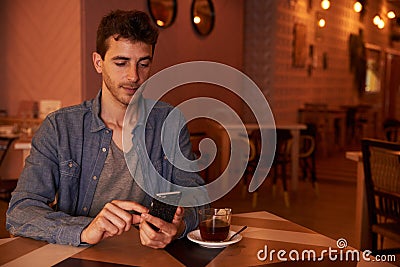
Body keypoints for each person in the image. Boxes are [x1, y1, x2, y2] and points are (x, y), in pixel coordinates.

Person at [6, 9, 205, 249]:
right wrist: (85, 230)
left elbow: (199, 203)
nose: (134, 76)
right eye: (121, 63)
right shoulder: (60, 128)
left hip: (150, 256)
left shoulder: (169, 122)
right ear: (98, 63)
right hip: (80, 255)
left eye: (144, 64)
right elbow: (20, 211)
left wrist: (178, 227)